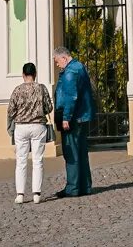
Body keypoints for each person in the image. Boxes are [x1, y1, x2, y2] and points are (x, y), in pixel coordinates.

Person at [5, 60, 54, 205]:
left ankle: (20, 194)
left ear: (23, 74)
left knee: (21, 160)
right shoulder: (41, 88)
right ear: (35, 74)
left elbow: (10, 111)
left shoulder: (17, 90)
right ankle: (36, 194)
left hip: (21, 127)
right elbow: (49, 107)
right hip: (38, 126)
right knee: (38, 160)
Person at [50, 46, 96, 199]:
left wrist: (66, 117)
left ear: (64, 58)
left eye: (57, 62)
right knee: (82, 151)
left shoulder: (70, 72)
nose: (57, 65)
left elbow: (71, 96)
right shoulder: (80, 67)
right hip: (82, 116)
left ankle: (73, 187)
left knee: (71, 152)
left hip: (73, 118)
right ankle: (85, 185)